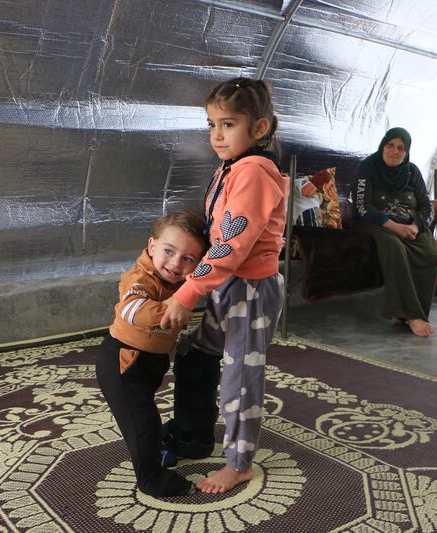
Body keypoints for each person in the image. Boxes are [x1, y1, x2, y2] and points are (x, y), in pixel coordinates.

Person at [159, 77, 287, 494]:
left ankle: (239, 463)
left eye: (228, 124)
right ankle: (192, 434)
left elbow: (231, 244)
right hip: (227, 287)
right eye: (212, 124)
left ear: (259, 128)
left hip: (249, 291)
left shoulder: (253, 173)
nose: (217, 134)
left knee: (240, 377)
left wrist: (187, 292)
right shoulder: (231, 168)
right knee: (195, 354)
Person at [95, 211, 207, 498]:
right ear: (152, 245)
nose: (175, 263)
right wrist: (174, 308)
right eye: (169, 251)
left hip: (149, 362)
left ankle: (161, 442)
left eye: (188, 259)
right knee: (141, 423)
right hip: (122, 361)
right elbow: (130, 310)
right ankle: (151, 478)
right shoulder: (140, 277)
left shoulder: (181, 282)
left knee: (148, 416)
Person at [349, 127, 437, 337]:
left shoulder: (412, 172)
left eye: (401, 148)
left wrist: (416, 227)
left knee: (431, 254)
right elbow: (363, 207)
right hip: (377, 224)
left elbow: (427, 206)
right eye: (390, 145)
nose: (395, 151)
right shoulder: (367, 168)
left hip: (409, 224)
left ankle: (411, 314)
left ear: (407, 151)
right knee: (395, 248)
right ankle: (412, 314)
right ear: (383, 145)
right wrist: (395, 227)